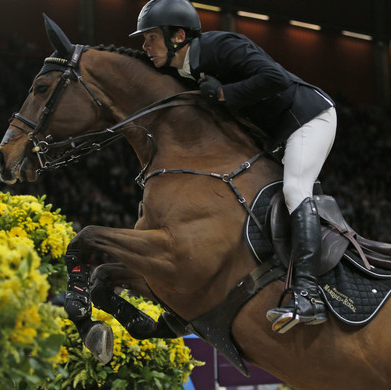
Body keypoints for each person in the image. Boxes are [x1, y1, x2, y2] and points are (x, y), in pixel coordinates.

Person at [129, 0, 337, 333]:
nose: (144, 46)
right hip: (271, 134)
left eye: (150, 37)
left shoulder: (221, 46)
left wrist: (224, 95)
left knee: (295, 188)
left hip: (307, 118)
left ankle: (309, 296)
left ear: (178, 36)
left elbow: (276, 78)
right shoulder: (178, 69)